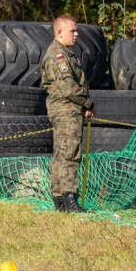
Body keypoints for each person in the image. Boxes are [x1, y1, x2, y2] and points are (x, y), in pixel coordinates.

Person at [40, 15, 94, 213]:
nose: (77, 34)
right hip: (66, 112)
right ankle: (69, 201)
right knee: (69, 155)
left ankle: (61, 203)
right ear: (59, 32)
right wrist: (88, 103)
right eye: (73, 31)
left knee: (61, 155)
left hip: (68, 110)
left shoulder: (66, 54)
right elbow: (68, 88)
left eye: (76, 30)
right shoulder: (58, 56)